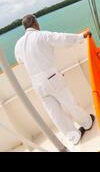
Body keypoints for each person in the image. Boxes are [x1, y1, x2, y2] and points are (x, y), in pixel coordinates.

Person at [14, 14, 95, 145]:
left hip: (37, 83)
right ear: (35, 24)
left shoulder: (18, 45)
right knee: (69, 102)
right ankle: (87, 123)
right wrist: (81, 36)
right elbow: (62, 39)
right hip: (51, 78)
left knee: (54, 113)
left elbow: (20, 60)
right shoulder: (41, 35)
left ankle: (73, 136)